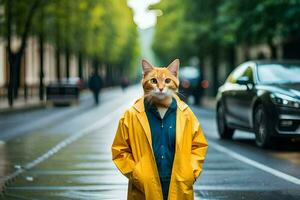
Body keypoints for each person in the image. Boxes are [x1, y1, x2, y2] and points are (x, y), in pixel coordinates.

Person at [111, 59, 208, 200]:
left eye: (167, 81)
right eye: (154, 81)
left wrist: (190, 173)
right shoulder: (131, 115)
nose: (161, 87)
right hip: (143, 191)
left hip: (180, 189)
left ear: (176, 78)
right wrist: (137, 174)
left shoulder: (186, 114)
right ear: (144, 78)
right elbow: (119, 150)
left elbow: (199, 145)